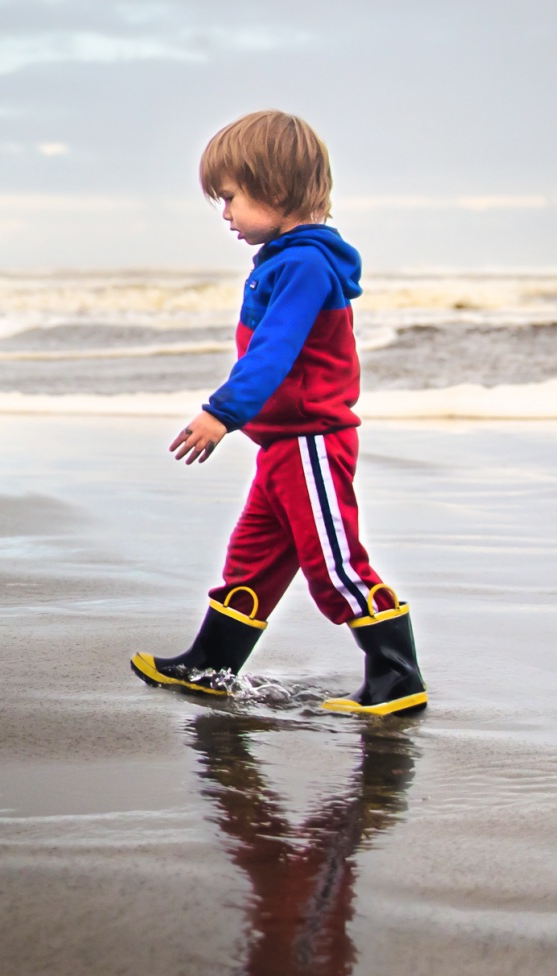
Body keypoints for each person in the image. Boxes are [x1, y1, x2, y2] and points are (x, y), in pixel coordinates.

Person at [130, 110, 426, 717]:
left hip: (311, 441)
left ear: (277, 188)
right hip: (282, 445)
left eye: (231, 197)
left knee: (335, 566)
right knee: (253, 559)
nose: (225, 214)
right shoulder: (286, 259)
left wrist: (222, 412)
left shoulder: (303, 264)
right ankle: (211, 664)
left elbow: (275, 350)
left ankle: (397, 677)